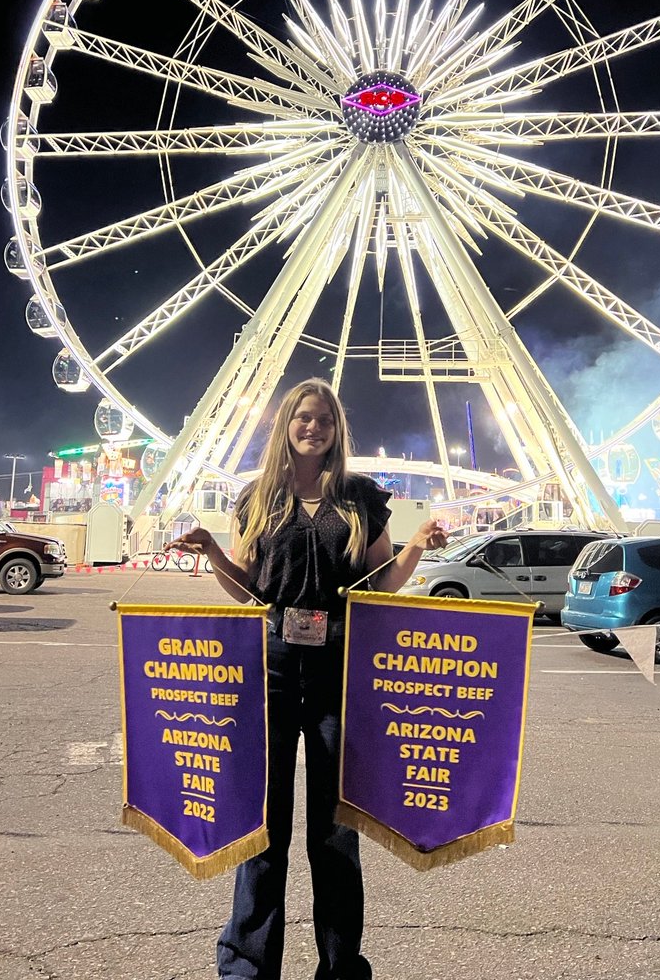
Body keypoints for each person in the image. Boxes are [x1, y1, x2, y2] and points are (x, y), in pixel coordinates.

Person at [166, 378, 448, 980]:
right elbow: (249, 590)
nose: (312, 427)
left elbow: (383, 584)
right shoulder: (259, 498)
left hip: (336, 671)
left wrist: (418, 546)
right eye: (303, 417)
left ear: (336, 429)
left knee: (334, 831)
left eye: (323, 419)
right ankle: (246, 964)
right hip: (270, 668)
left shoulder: (359, 499)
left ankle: (342, 965)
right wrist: (214, 554)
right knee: (262, 826)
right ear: (286, 426)